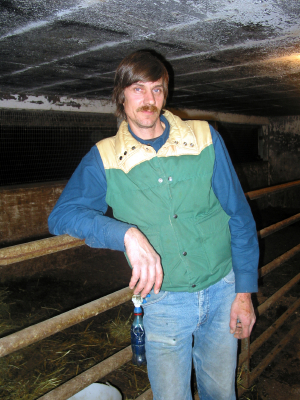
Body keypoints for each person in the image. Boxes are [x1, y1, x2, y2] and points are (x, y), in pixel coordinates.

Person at [48, 50, 259, 400]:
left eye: (157, 89)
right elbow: (61, 216)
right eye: (138, 89)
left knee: (222, 393)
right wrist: (125, 233)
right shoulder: (105, 156)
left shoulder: (204, 137)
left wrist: (244, 292)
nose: (149, 100)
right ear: (121, 95)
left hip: (224, 288)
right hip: (163, 301)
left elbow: (239, 215)